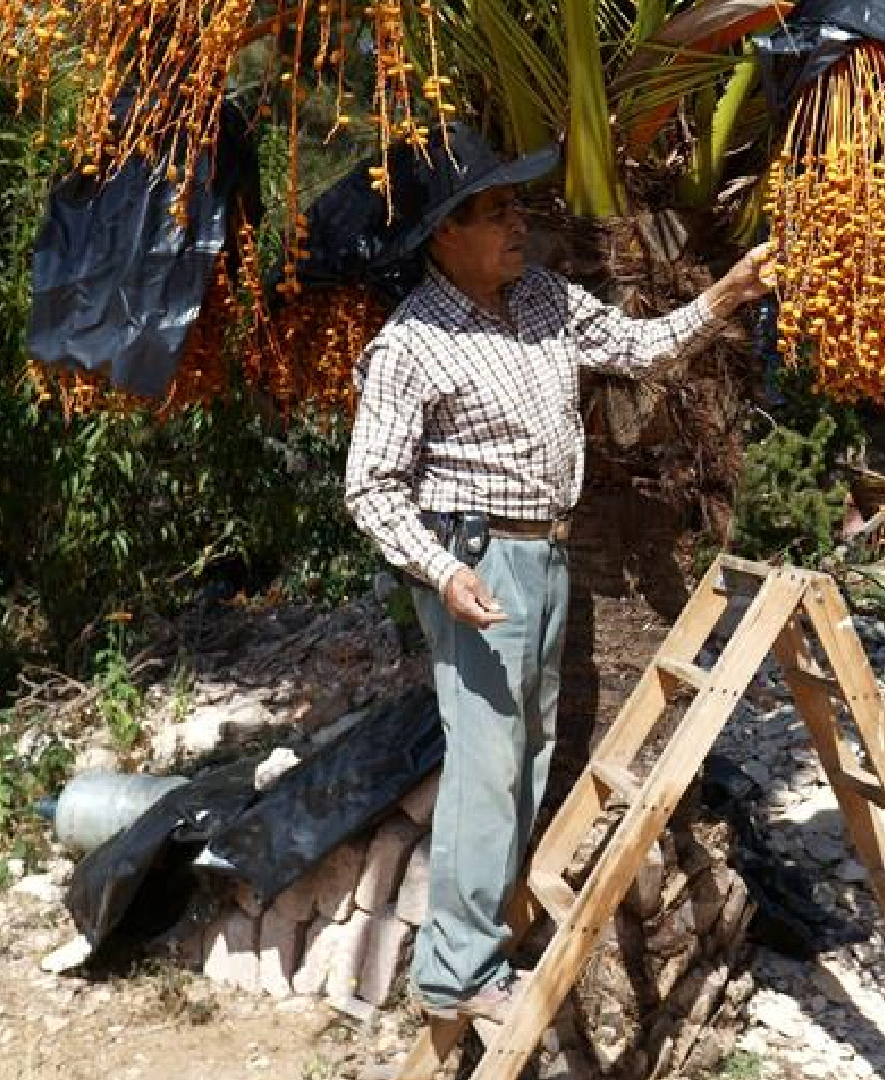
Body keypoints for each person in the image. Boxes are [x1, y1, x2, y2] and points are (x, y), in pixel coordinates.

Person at [343, 126, 772, 1023]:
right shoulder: (410, 346)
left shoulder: (540, 298)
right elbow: (371, 490)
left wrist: (727, 294)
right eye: (497, 211)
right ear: (443, 235)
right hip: (474, 563)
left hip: (546, 549)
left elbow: (639, 348)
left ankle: (484, 945)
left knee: (529, 754)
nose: (518, 226)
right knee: (487, 765)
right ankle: (453, 977)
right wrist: (438, 572)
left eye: (517, 208)